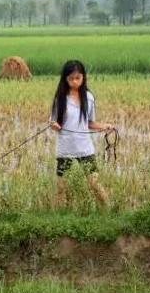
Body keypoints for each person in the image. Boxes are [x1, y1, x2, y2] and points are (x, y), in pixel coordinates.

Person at [49, 60, 115, 208]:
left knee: (94, 183)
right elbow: (53, 123)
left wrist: (105, 126)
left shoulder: (89, 97)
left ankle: (108, 211)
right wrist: (54, 125)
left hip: (84, 147)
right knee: (61, 188)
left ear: (83, 77)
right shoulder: (60, 98)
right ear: (65, 79)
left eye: (77, 78)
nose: (74, 81)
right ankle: (58, 216)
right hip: (65, 149)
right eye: (71, 78)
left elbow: (89, 123)